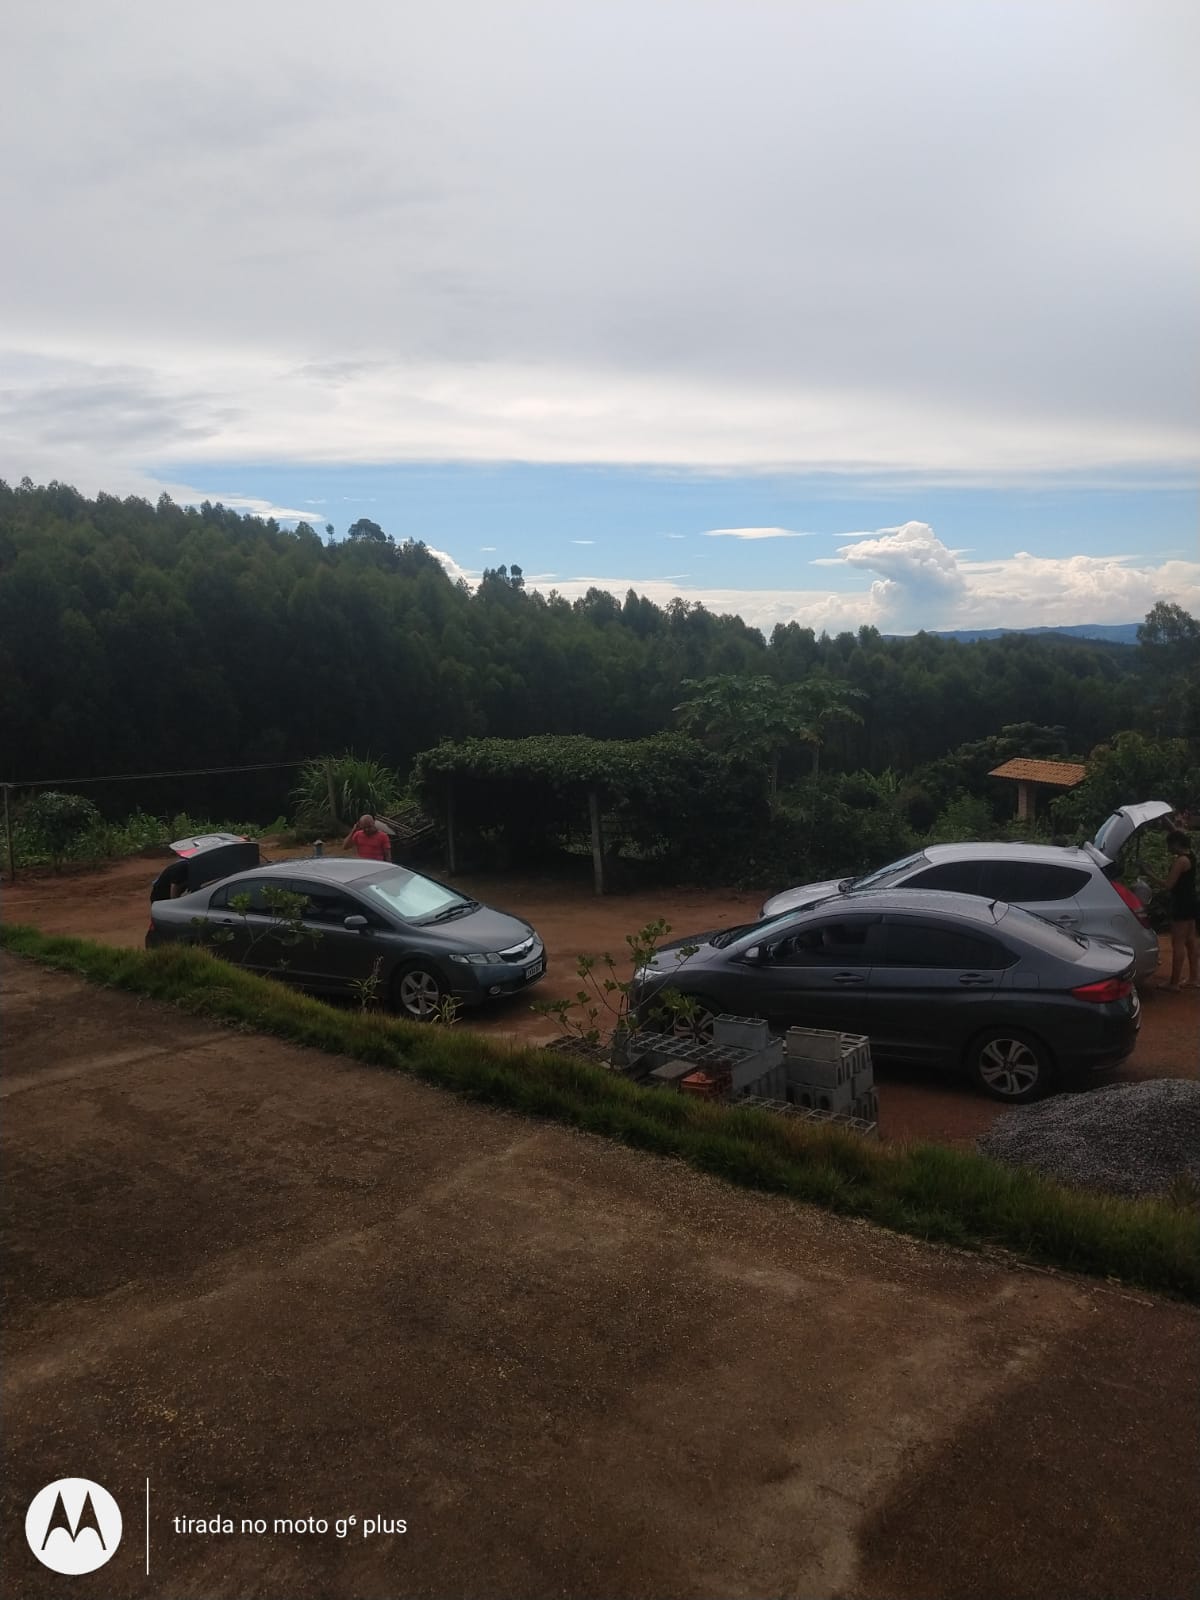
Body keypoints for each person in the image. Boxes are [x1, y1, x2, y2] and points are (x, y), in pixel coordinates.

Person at [1158, 830, 1197, 991]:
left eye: (1169, 845)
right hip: (1191, 902)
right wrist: (1166, 821)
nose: (1168, 849)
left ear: (1176, 844)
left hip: (1181, 904)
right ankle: (1194, 978)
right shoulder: (1191, 855)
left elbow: (1168, 885)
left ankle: (1174, 983)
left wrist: (1148, 873)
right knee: (1190, 941)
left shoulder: (1180, 861)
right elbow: (1179, 834)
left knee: (1178, 942)